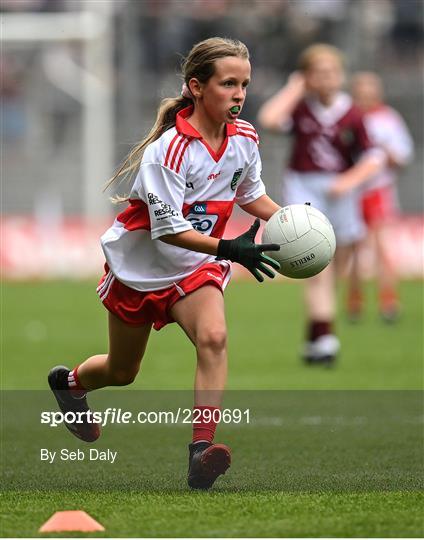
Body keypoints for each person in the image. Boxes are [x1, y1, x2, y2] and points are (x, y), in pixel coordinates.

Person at [48, 37, 282, 490]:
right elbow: (168, 230)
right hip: (141, 268)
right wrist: (232, 249)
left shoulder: (246, 137)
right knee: (122, 371)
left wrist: (295, 220)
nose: (238, 94)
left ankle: (200, 451)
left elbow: (251, 194)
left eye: (245, 85)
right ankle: (71, 384)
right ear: (196, 87)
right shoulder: (169, 150)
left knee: (213, 337)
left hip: (197, 265)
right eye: (227, 83)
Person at [257, 44, 385, 366]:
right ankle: (326, 339)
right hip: (305, 188)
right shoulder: (300, 108)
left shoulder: (351, 112)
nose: (326, 78)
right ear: (308, 77)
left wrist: (349, 181)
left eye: (332, 72)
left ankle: (316, 335)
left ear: (341, 76)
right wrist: (294, 87)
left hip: (341, 192)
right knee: (316, 267)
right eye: (318, 73)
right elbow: (269, 119)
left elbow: (374, 158)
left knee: (335, 270)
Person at [346, 71, 414, 322]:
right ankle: (355, 301)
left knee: (382, 247)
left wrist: (386, 153)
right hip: (352, 191)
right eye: (361, 89)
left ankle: (388, 302)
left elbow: (402, 156)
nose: (365, 94)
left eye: (370, 89)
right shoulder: (348, 117)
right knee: (352, 249)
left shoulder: (388, 119)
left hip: (378, 190)